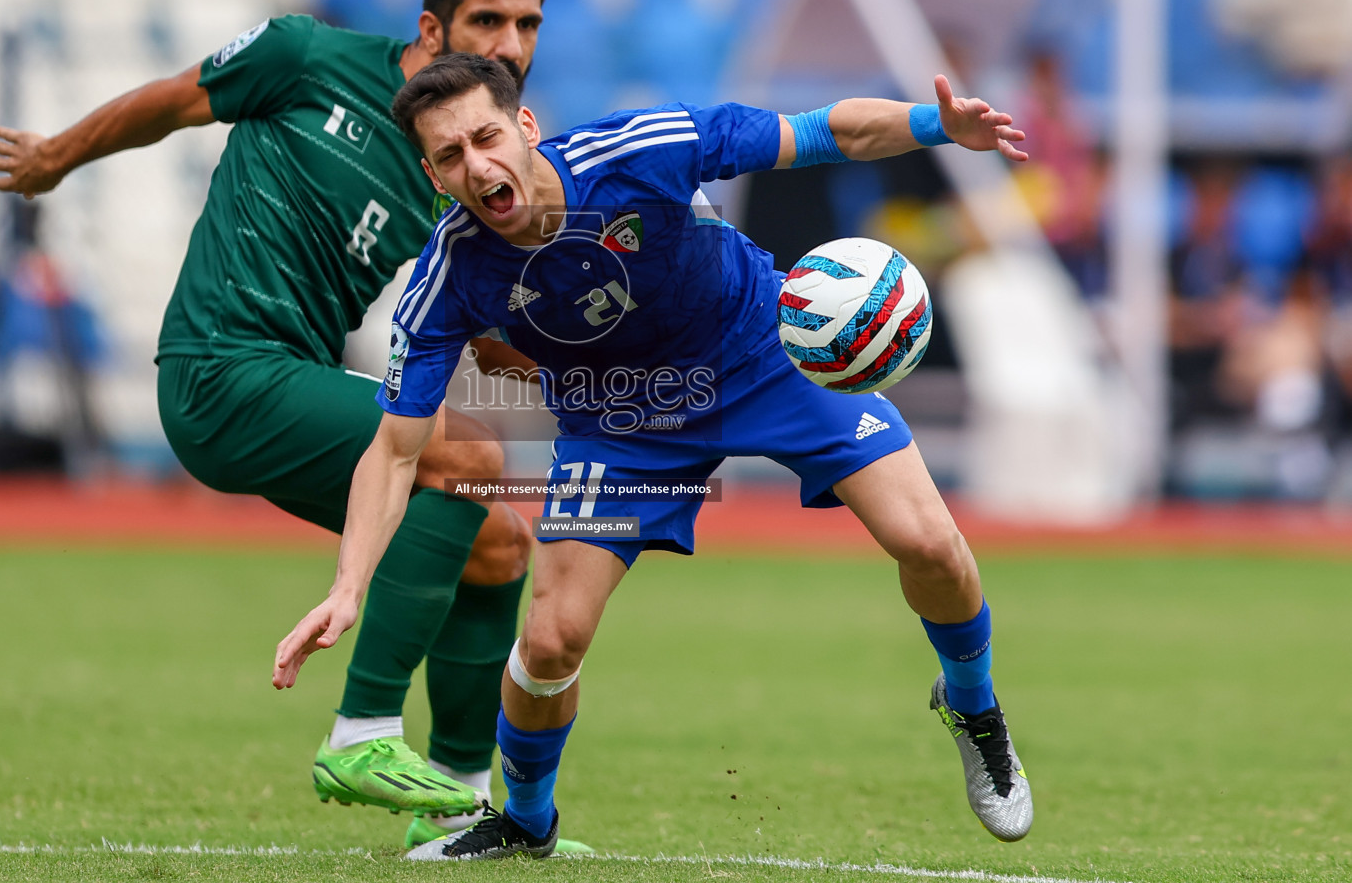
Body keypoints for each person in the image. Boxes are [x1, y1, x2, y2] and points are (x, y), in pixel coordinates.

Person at [272, 53, 1036, 859]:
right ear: (433, 173)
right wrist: (348, 586)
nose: (479, 165)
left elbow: (823, 131)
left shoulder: (642, 150)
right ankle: (526, 822)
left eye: (488, 136)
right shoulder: (449, 276)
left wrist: (935, 126)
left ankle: (973, 706)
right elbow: (396, 451)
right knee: (549, 644)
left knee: (928, 542)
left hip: (759, 354)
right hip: (620, 425)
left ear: (525, 126)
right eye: (452, 156)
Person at [0, 0, 587, 852]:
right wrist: (57, 158)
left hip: (291, 374)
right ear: (432, 26)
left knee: (499, 533)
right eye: (488, 20)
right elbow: (173, 102)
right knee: (466, 454)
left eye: (528, 24)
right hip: (219, 366)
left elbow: (498, 341)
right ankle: (364, 731)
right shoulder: (305, 57)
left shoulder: (468, 174)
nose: (510, 44)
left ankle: (458, 818)